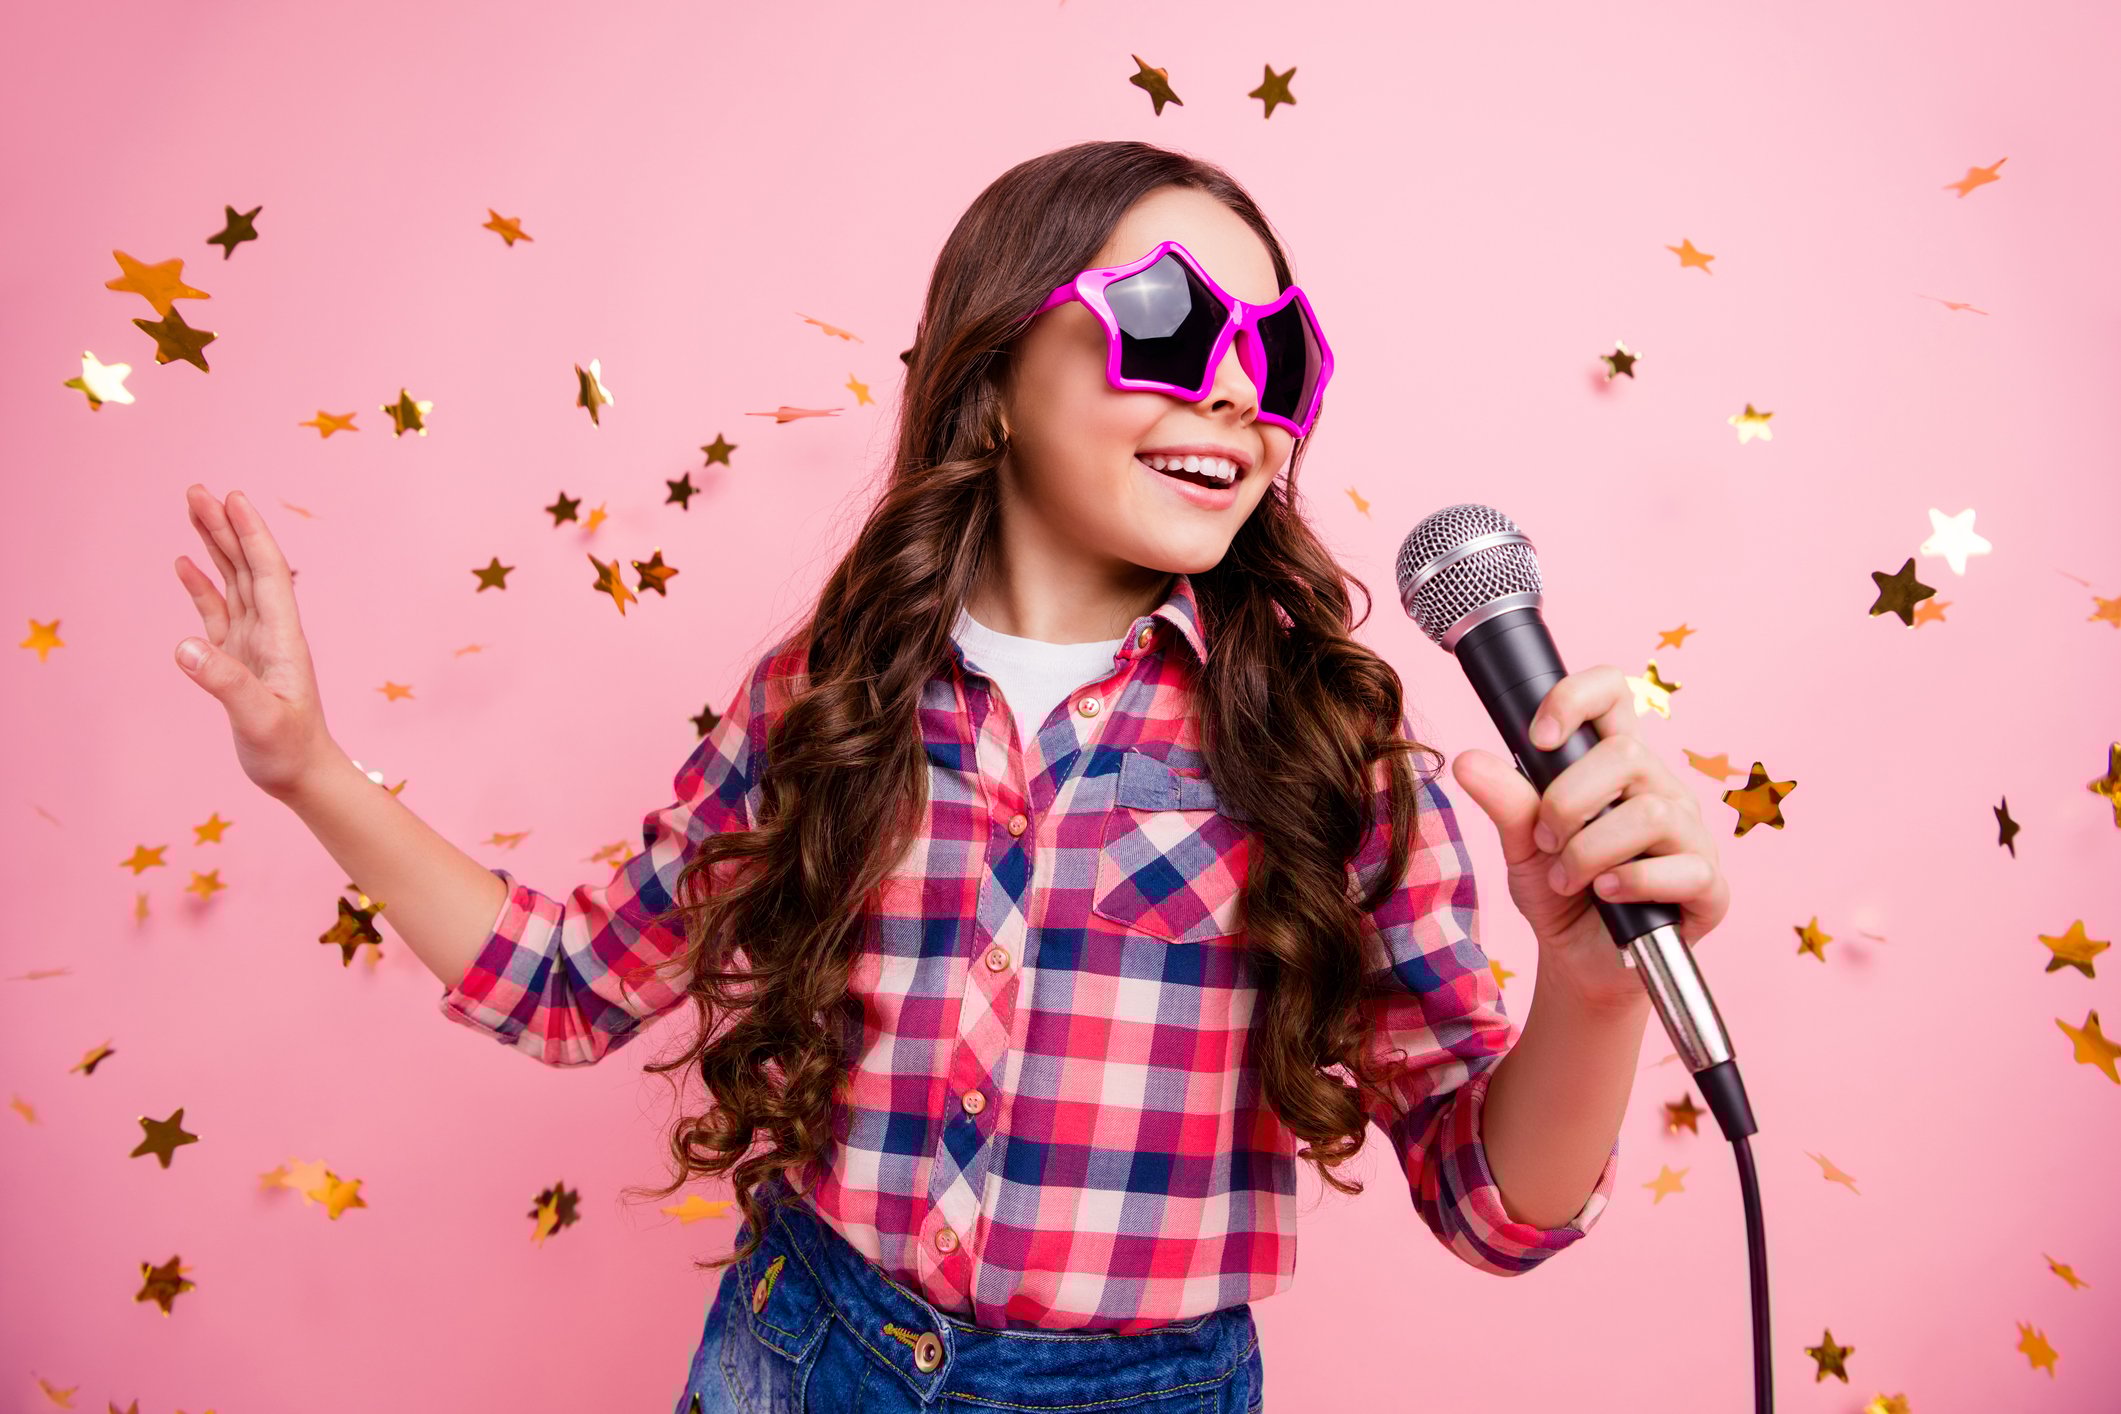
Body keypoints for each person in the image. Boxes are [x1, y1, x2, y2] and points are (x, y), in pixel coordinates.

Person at [170, 139, 1731, 1413]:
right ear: (996, 369)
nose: (1234, 394)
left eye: (1279, 357)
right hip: (799, 1351)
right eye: (1171, 326)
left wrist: (1594, 989)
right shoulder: (828, 695)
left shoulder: (1325, 746)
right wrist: (304, 765)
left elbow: (1493, 1205)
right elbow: (572, 984)